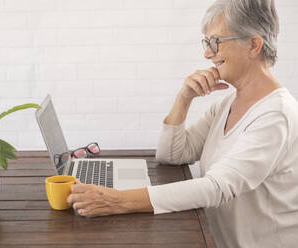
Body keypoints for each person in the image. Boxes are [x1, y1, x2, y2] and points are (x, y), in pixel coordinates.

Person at [67, 0, 298, 247]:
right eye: (207, 43)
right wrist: (184, 98)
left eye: (215, 42)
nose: (207, 53)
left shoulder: (276, 116)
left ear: (253, 45)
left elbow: (216, 188)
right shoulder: (228, 102)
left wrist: (117, 201)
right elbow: (172, 155)